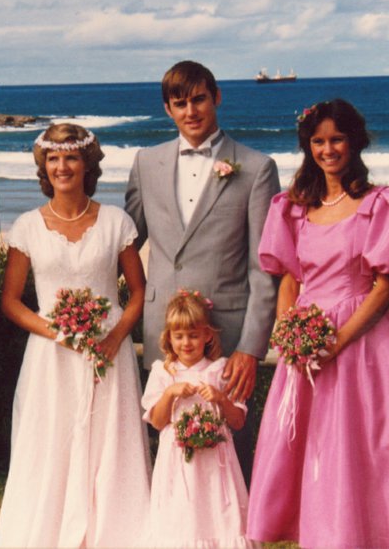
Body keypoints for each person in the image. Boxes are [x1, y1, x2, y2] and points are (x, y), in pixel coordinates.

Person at [246, 99, 389, 548]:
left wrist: (337, 341)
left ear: (355, 141)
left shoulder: (381, 203)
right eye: (318, 142)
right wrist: (291, 332)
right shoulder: (294, 206)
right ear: (308, 147)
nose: (328, 150)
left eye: (337, 139)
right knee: (314, 446)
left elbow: (385, 289)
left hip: (363, 340)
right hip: (307, 343)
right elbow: (290, 277)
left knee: (373, 443)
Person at [0, 123, 151, 548]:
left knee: (109, 447)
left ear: (87, 164)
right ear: (44, 167)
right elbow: (11, 301)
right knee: (50, 446)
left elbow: (138, 291)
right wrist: (58, 333)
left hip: (108, 356)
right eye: (54, 159)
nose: (62, 167)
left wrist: (116, 337)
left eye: (71, 158)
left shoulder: (116, 222)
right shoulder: (27, 226)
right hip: (52, 358)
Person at [125, 60, 279, 481]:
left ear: (216, 98)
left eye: (199, 99)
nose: (191, 111)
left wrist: (251, 348)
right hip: (164, 329)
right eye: (180, 103)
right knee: (169, 445)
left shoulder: (256, 167)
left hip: (226, 333)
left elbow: (264, 268)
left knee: (231, 449)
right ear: (168, 110)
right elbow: (125, 242)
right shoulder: (146, 163)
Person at [141, 290, 251, 548]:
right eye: (179, 336)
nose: (186, 343)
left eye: (193, 335)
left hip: (215, 465)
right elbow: (157, 422)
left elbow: (238, 421)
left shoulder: (220, 370)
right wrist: (170, 393)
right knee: (182, 515)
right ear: (169, 337)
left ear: (207, 335)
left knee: (214, 512)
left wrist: (220, 399)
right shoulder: (163, 372)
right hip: (176, 465)